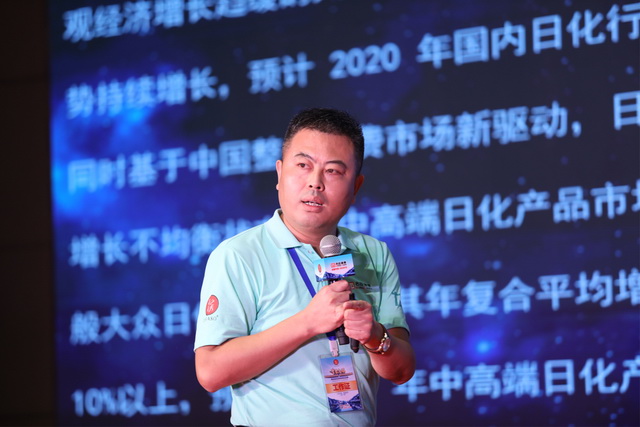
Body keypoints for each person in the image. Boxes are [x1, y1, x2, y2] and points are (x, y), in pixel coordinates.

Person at [194, 107, 416, 426]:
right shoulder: (238, 255)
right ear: (279, 173)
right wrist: (308, 322)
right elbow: (210, 372)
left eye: (333, 171)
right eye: (303, 165)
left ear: (355, 187)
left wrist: (375, 337)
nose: (315, 183)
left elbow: (402, 370)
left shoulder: (374, 253)